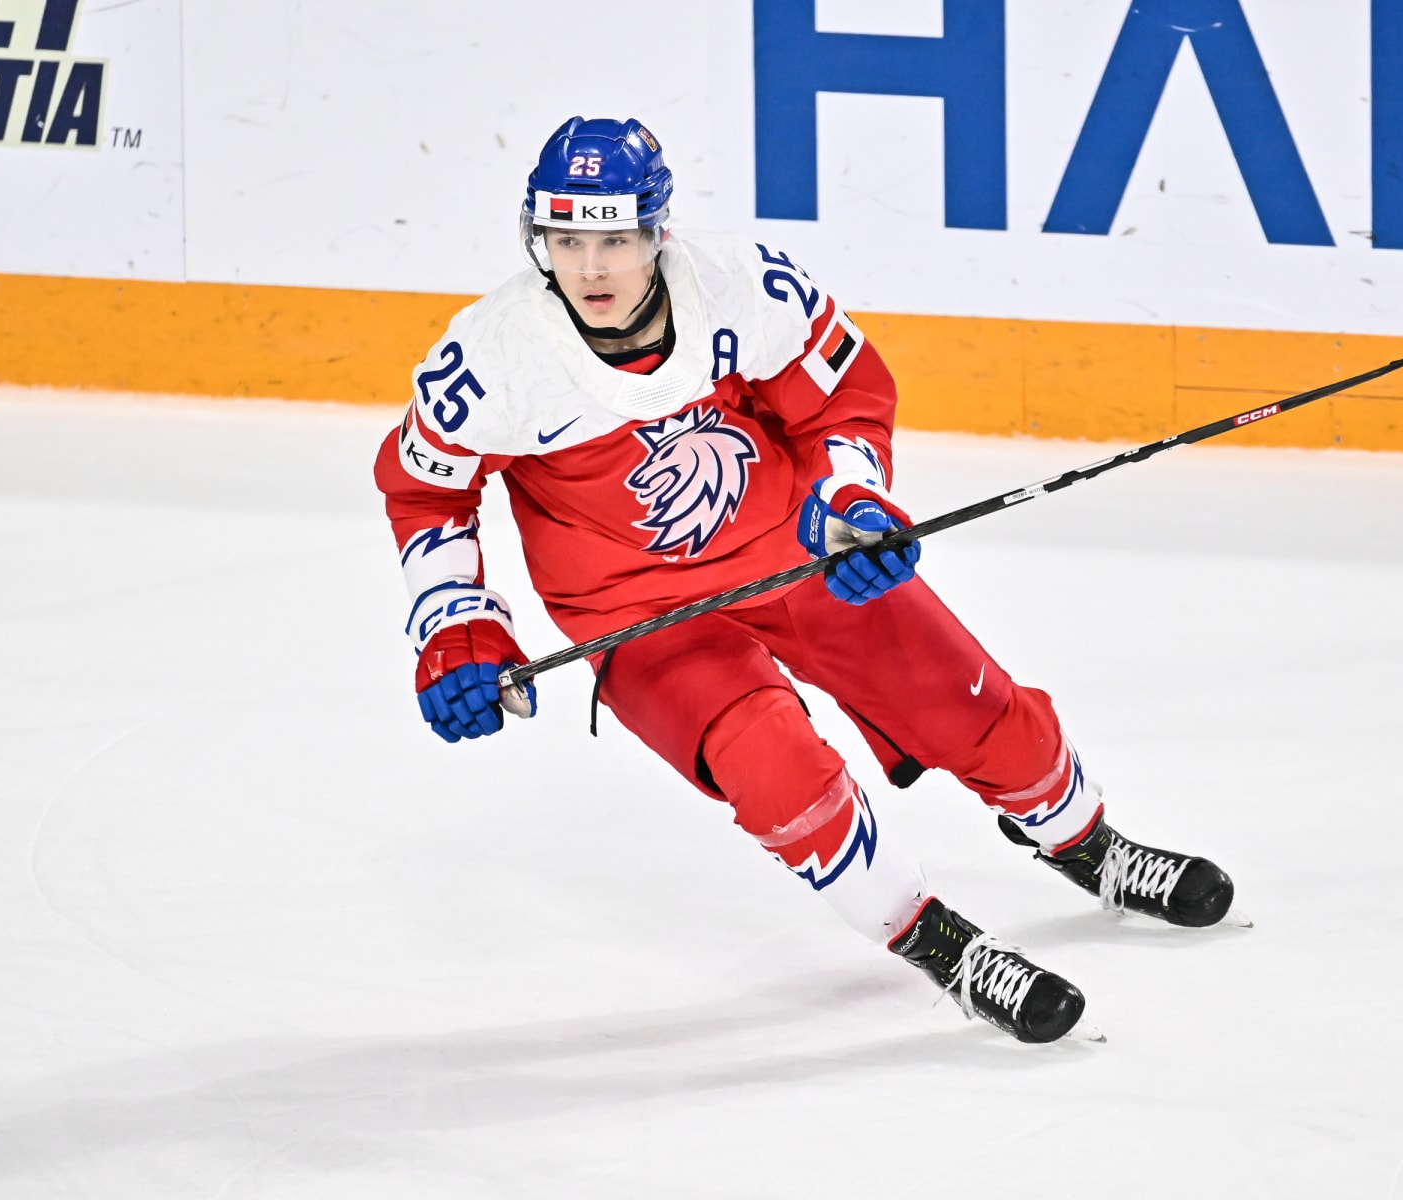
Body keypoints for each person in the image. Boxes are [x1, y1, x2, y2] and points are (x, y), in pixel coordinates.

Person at [373, 117, 1238, 1044]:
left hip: (798, 551)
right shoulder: (493, 357)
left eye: (614, 240)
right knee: (781, 774)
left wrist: (856, 501)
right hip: (643, 616)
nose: (591, 268)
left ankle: (1087, 846)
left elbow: (842, 395)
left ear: (657, 233)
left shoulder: (742, 288)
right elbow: (428, 493)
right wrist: (457, 628)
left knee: (974, 709)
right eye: (568, 241)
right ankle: (940, 944)